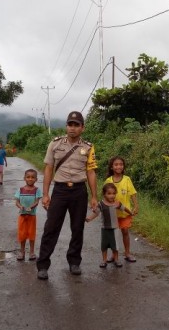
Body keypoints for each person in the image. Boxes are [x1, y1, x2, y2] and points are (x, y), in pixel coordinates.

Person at [36, 111, 98, 280]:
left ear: (82, 128)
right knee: (51, 228)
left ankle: (74, 262)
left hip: (79, 191)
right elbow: (48, 168)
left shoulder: (88, 147)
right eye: (70, 124)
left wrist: (94, 196)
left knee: (78, 228)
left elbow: (91, 172)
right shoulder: (55, 144)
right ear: (66, 126)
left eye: (76, 125)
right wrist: (46, 193)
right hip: (60, 191)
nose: (72, 128)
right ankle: (42, 265)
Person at [87, 182, 132, 268]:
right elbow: (96, 213)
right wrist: (89, 218)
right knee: (104, 245)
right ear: (104, 194)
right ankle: (104, 260)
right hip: (105, 229)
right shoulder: (101, 204)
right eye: (109, 193)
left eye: (114, 193)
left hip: (115, 228)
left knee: (115, 245)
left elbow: (124, 208)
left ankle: (116, 259)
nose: (112, 196)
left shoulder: (117, 203)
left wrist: (130, 213)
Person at [104, 156, 139, 263]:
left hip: (125, 213)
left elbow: (132, 193)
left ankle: (127, 253)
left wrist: (136, 205)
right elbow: (105, 195)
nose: (118, 166)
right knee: (113, 235)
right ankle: (114, 255)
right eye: (116, 164)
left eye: (121, 164)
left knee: (125, 231)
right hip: (112, 213)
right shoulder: (108, 180)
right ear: (111, 167)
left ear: (123, 166)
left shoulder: (127, 179)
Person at [14, 168, 43, 261]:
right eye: (28, 177)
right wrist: (20, 206)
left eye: (33, 177)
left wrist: (31, 207)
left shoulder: (37, 190)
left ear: (36, 179)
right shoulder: (20, 190)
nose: (30, 179)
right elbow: (17, 202)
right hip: (22, 215)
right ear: (24, 178)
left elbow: (37, 201)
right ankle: (22, 252)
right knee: (22, 234)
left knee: (31, 234)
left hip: (32, 216)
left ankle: (31, 252)